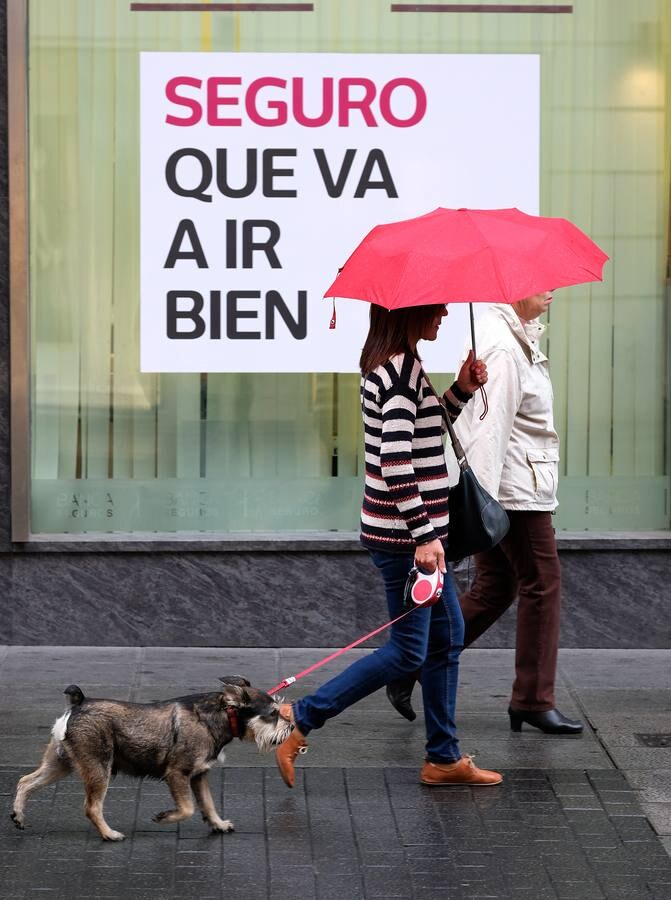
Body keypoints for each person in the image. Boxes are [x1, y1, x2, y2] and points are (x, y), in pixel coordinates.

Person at [274, 303, 503, 789]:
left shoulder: (398, 362)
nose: (443, 311)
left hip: (413, 536)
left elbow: (422, 432)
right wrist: (423, 535)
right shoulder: (397, 369)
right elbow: (396, 462)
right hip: (407, 541)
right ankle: (302, 717)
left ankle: (443, 757)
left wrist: (461, 389)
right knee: (407, 653)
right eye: (435, 305)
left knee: (446, 640)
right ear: (410, 312)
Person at [386, 292, 583, 735]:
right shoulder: (502, 345)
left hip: (514, 484)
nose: (551, 287)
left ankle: (409, 664)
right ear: (514, 286)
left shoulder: (513, 337)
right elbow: (487, 432)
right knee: (542, 582)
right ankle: (533, 700)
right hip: (513, 492)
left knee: (498, 586)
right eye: (541, 279)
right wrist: (483, 509)